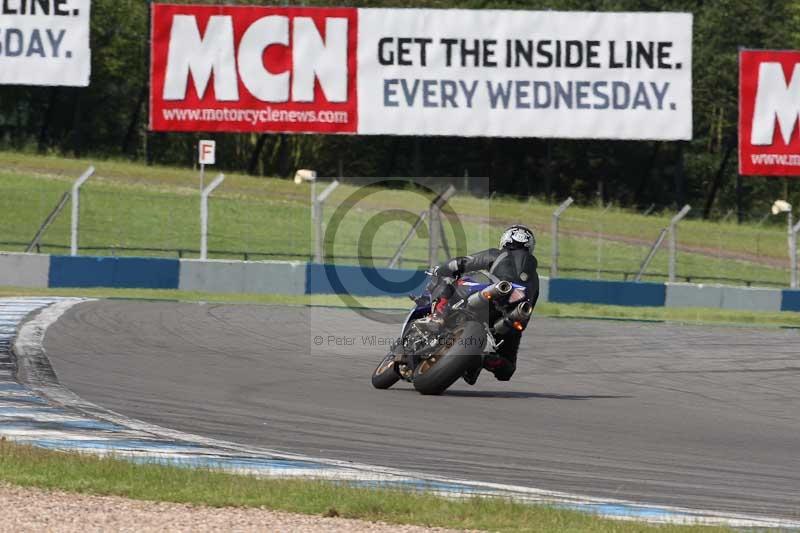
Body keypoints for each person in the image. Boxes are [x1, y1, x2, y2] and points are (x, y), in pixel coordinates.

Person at [427, 224, 540, 382]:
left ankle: (437, 315)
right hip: (508, 315)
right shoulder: (534, 278)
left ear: (505, 240)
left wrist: (441, 269)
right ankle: (485, 360)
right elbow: (526, 317)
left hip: (489, 297)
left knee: (448, 280)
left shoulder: (498, 254)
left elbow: (462, 263)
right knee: (507, 369)